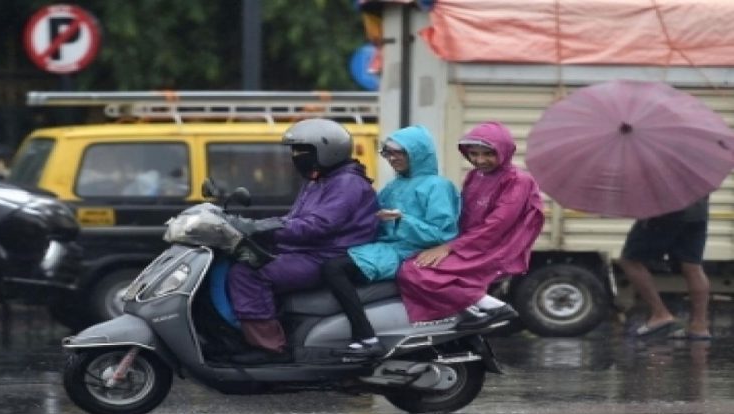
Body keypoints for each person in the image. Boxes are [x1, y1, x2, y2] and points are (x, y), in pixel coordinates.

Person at [226, 118, 380, 364]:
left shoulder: (346, 183)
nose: (296, 156)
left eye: (302, 151)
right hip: (307, 250)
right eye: (294, 151)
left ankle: (269, 348)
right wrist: (252, 224)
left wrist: (264, 229)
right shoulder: (319, 180)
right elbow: (294, 219)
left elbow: (318, 226)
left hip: (323, 255)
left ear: (327, 150)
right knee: (242, 256)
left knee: (249, 273)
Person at [322, 125, 460, 357]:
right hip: (385, 248)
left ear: (418, 153)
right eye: (388, 153)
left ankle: (365, 335)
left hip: (407, 253)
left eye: (399, 153)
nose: (392, 158)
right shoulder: (393, 185)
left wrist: (401, 219)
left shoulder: (438, 186)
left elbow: (441, 234)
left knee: (333, 268)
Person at [397, 121, 544, 328]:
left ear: (504, 151)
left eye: (488, 154)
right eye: (474, 154)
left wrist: (449, 248)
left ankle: (494, 308)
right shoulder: (475, 175)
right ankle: (470, 311)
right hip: (468, 242)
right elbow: (463, 215)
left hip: (492, 247)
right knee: (412, 263)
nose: (480, 160)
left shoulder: (518, 180)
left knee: (415, 270)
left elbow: (497, 225)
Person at [618, 196, 711, 340]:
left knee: (630, 260)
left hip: (666, 210)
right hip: (698, 211)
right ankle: (699, 326)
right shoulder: (699, 172)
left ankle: (660, 314)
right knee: (692, 267)